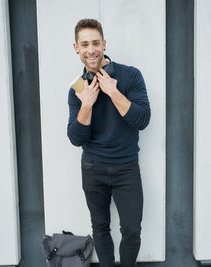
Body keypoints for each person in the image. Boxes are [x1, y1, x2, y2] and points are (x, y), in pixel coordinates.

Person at [67, 18, 151, 267]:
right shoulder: (78, 89)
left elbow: (143, 120)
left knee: (132, 229)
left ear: (103, 44)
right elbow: (76, 138)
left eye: (95, 43)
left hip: (127, 168)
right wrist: (87, 104)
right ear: (77, 48)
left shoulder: (130, 76)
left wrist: (114, 92)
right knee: (100, 227)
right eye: (84, 44)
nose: (90, 50)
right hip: (93, 168)